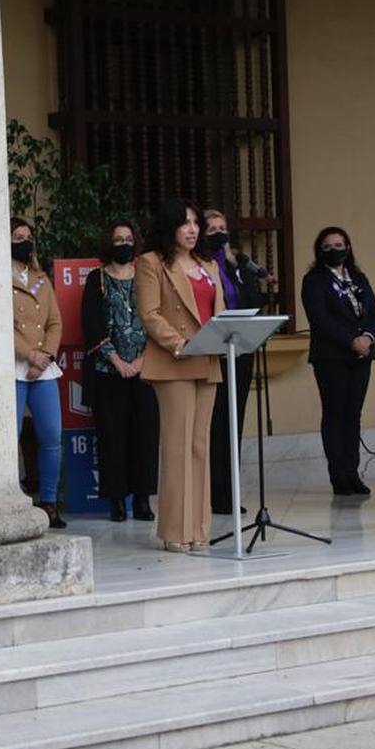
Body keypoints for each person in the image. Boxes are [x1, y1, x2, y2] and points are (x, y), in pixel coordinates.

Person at [135, 198, 225, 552]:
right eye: (184, 223)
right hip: (175, 361)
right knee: (178, 445)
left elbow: (217, 309)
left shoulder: (208, 264)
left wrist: (219, 336)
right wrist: (180, 343)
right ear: (169, 226)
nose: (192, 229)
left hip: (208, 359)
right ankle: (175, 530)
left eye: (196, 223)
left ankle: (199, 528)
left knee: (201, 446)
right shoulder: (151, 262)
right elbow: (150, 313)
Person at [80, 219, 158, 523]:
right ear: (108, 243)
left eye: (128, 239)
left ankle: (142, 499)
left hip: (146, 369)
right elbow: (91, 322)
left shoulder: (146, 276)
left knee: (145, 435)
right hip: (108, 371)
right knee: (112, 436)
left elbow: (156, 318)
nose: (123, 244)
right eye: (118, 239)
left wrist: (140, 361)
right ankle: (116, 500)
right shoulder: (96, 279)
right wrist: (117, 361)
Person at [301, 226, 375, 496]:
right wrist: (351, 341)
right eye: (328, 246)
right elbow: (321, 319)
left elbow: (374, 311)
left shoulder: (358, 276)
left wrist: (368, 337)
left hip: (362, 355)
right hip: (332, 356)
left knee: (353, 414)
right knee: (335, 413)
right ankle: (338, 475)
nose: (335, 250)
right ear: (319, 249)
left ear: (348, 247)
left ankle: (353, 471)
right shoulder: (314, 280)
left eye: (339, 244)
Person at [200, 209, 268, 515]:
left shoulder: (238, 265)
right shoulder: (201, 267)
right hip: (214, 352)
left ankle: (230, 493)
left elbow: (254, 302)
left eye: (222, 227)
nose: (218, 233)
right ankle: (214, 494)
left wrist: (251, 275)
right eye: (211, 228)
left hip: (241, 351)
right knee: (216, 424)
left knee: (235, 422)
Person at [11, 217, 65, 529]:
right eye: (18, 236)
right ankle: (14, 499)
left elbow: (55, 321)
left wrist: (44, 356)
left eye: (28, 236)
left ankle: (49, 502)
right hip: (15, 366)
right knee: (12, 436)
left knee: (51, 436)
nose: (25, 241)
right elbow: (1, 324)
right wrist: (28, 354)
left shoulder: (41, 278)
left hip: (43, 369)